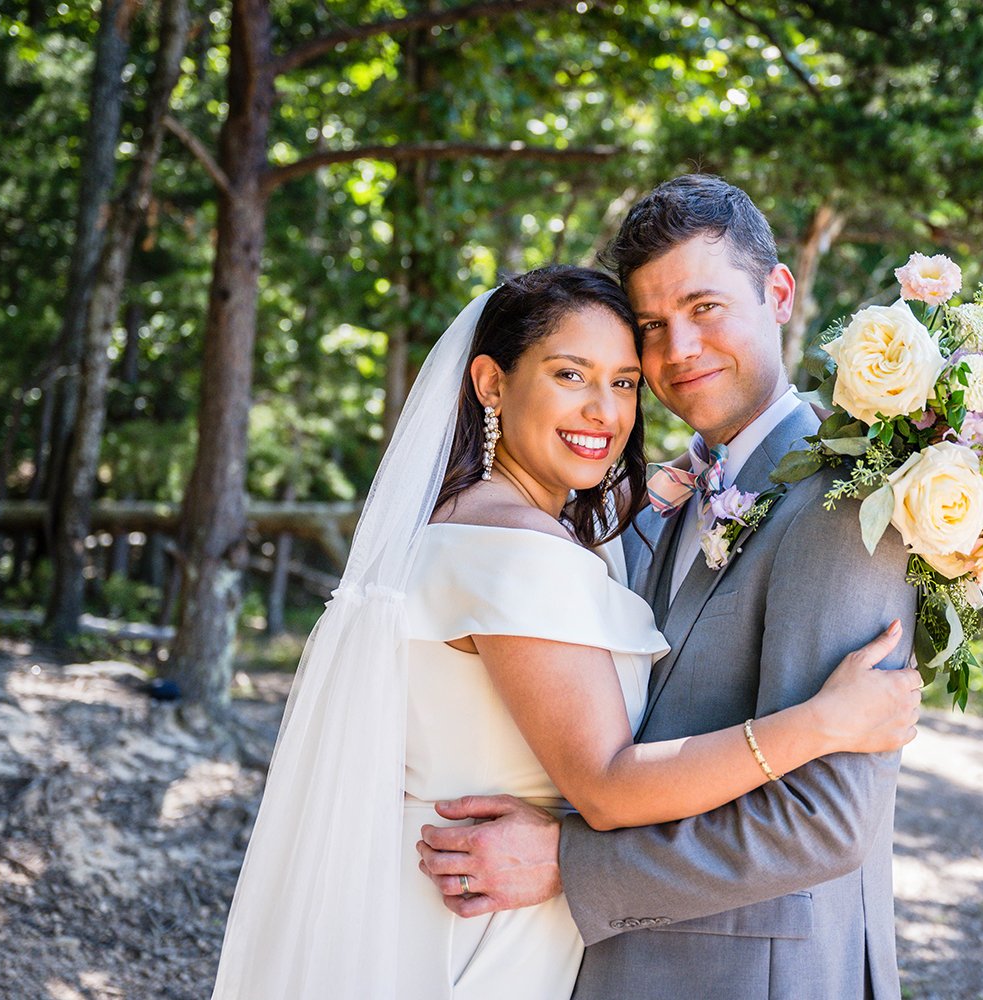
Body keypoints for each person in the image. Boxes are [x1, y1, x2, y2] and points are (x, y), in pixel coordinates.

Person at [208, 264, 922, 1000]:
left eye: (621, 383)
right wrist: (820, 722)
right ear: (490, 384)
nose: (603, 412)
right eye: (570, 375)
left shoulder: (465, 523)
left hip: (435, 907)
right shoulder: (516, 553)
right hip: (482, 929)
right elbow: (609, 787)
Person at [417, 176, 922, 1000]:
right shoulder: (655, 501)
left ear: (779, 293)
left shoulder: (849, 503)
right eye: (651, 326)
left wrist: (567, 861)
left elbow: (827, 822)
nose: (677, 349)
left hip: (754, 972)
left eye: (705, 307)